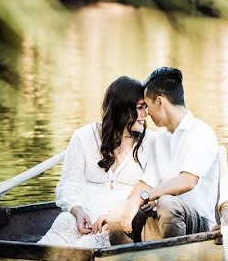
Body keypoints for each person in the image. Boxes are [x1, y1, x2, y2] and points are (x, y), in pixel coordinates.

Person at [101, 66, 219, 244]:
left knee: (167, 203)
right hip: (164, 222)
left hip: (197, 226)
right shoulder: (161, 141)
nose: (146, 114)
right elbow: (145, 184)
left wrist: (148, 197)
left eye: (147, 106)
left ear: (160, 102)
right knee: (120, 211)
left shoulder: (201, 133)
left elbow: (188, 181)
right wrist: (126, 206)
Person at [38, 76, 152, 248]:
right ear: (121, 109)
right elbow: (68, 185)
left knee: (86, 249)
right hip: (83, 215)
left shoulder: (151, 143)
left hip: (117, 222)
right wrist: (77, 211)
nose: (145, 114)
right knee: (52, 242)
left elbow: (154, 189)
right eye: (140, 108)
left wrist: (115, 215)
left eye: (146, 108)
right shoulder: (83, 137)